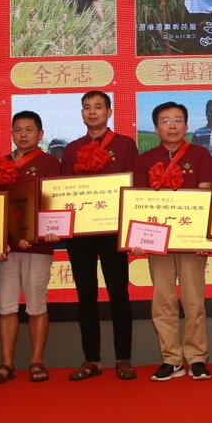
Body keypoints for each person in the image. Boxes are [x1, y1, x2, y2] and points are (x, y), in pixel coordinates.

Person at [132, 101, 212, 381]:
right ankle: (172, 359)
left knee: (194, 301)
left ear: (186, 126)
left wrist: (203, 238)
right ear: (156, 128)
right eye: (165, 121)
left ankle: (197, 358)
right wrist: (139, 238)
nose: (172, 126)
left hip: (191, 241)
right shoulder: (145, 159)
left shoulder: (200, 155)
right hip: (158, 242)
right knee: (162, 300)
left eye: (178, 120)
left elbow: (205, 196)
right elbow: (139, 203)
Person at [61, 90, 139, 381]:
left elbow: (134, 188)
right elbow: (63, 192)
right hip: (81, 232)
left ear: (109, 112)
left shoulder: (125, 145)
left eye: (98, 107)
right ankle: (91, 359)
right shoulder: (71, 149)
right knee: (86, 297)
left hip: (113, 231)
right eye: (86, 107)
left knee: (119, 295)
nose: (92, 112)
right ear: (81, 113)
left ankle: (123, 359)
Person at [0, 110, 62, 386]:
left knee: (36, 304)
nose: (23, 134)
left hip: (37, 246)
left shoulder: (50, 162)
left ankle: (36, 361)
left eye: (29, 130)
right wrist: (0, 240)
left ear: (40, 134)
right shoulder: (1, 164)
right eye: (18, 130)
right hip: (6, 249)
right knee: (6, 306)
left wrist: (42, 232)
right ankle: (6, 363)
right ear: (11, 133)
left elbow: (53, 201)